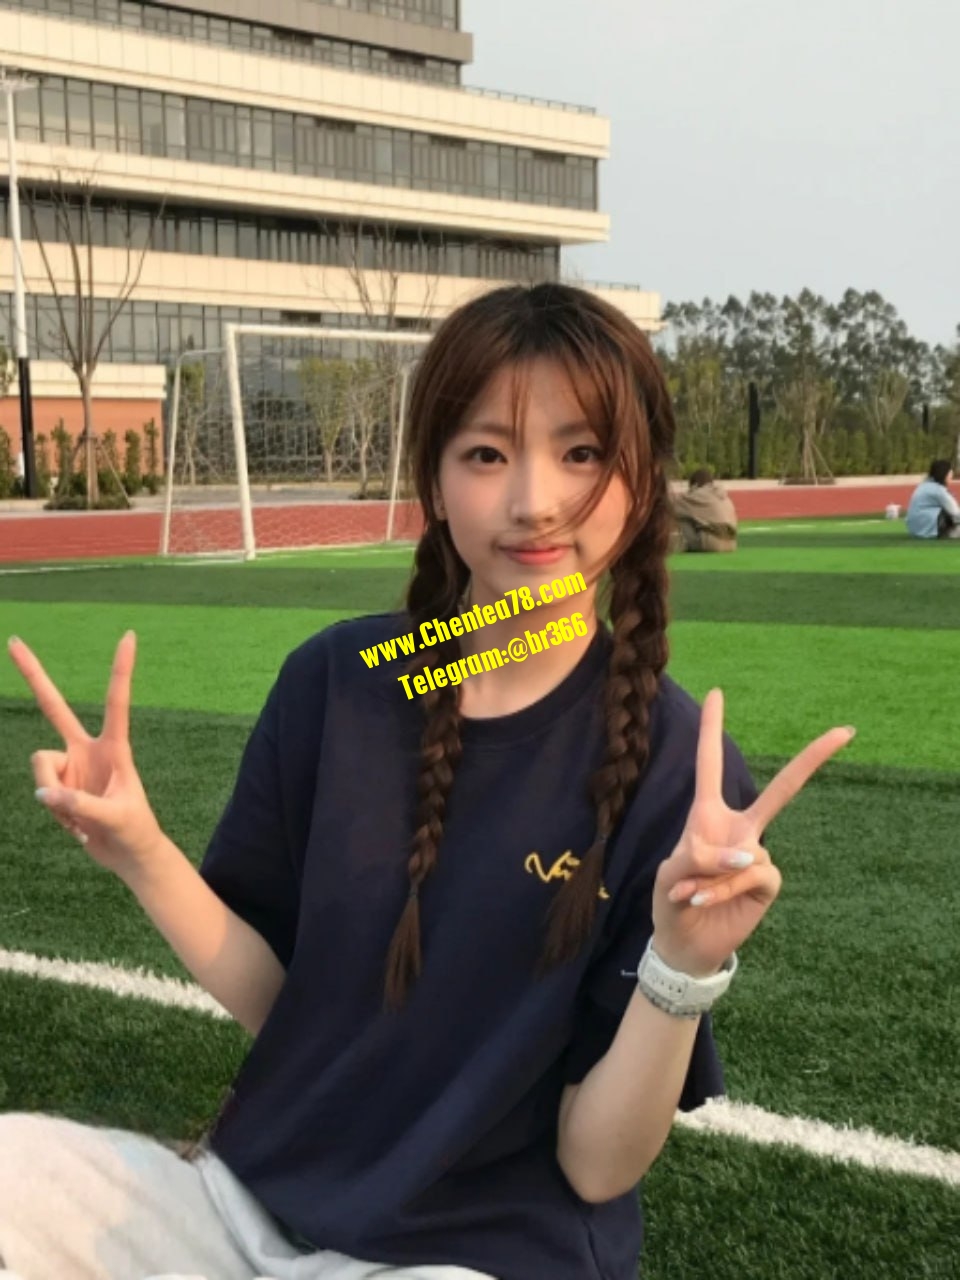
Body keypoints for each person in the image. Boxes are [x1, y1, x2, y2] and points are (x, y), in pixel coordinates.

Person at [2, 284, 854, 1280]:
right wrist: (141, 849)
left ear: (640, 480)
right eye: (487, 453)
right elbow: (289, 1006)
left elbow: (594, 1165)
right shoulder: (340, 682)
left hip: (476, 1255)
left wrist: (682, 965)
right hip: (245, 1208)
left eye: (582, 453)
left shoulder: (675, 767)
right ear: (437, 484)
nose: (535, 500)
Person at [670, 468, 738, 553]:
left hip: (711, 544)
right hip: (731, 544)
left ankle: (685, 544)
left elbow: (672, 507)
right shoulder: (725, 497)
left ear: (695, 485)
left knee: (682, 516)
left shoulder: (696, 495)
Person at [905, 459, 960, 540]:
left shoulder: (923, 486)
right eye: (950, 473)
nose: (952, 475)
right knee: (948, 512)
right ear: (944, 474)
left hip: (915, 530)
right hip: (929, 529)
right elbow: (956, 512)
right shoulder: (938, 490)